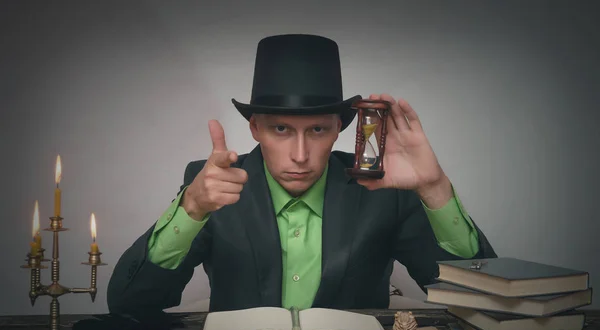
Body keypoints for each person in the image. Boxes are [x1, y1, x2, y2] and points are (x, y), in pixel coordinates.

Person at [107, 34, 496, 315]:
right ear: (255, 128)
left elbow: (482, 303)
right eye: (281, 130)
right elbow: (129, 303)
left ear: (339, 130)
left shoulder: (384, 190)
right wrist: (190, 209)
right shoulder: (213, 185)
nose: (300, 155)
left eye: (317, 130)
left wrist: (434, 188)